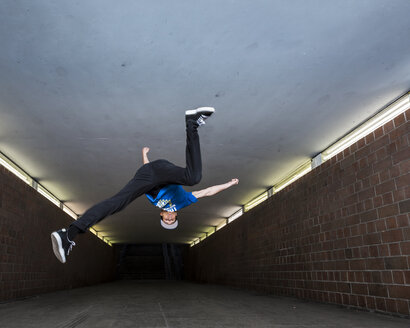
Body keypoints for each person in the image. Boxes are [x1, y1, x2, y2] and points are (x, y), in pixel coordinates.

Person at [51, 107, 239, 263]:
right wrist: (228, 185)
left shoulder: (157, 204)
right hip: (157, 171)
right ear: (174, 215)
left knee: (119, 202)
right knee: (193, 180)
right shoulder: (183, 202)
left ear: (162, 214)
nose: (170, 218)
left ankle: (68, 234)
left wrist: (144, 157)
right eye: (172, 219)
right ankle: (193, 127)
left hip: (153, 177)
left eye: (167, 220)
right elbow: (207, 192)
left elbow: (145, 177)